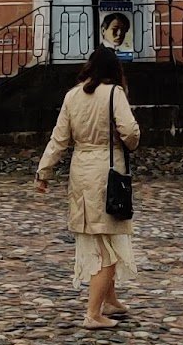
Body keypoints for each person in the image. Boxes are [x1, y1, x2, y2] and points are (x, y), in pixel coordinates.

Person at [35, 46, 141, 330]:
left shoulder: (72, 96)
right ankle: (93, 313)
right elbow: (129, 130)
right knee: (106, 244)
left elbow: (59, 139)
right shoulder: (114, 93)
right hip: (107, 172)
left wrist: (43, 171)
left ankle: (111, 300)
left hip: (80, 171)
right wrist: (130, 144)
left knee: (100, 234)